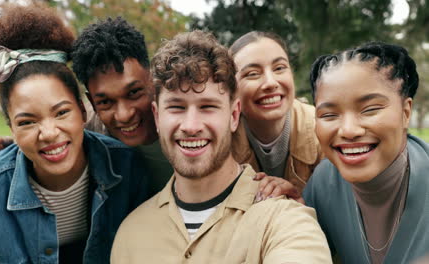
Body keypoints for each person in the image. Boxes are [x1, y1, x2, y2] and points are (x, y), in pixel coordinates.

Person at [0, 17, 300, 202]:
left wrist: (278, 185)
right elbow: (47, 129)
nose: (123, 114)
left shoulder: (211, 119)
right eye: (105, 102)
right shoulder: (92, 135)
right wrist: (0, 151)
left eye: (134, 92)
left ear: (152, 78)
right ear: (90, 104)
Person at [110, 30, 332, 264]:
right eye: (176, 107)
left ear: (234, 115)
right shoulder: (129, 235)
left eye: (207, 106)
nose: (191, 126)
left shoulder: (285, 222)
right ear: (157, 117)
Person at [0, 3, 148, 263]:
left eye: (61, 113)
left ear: (84, 111)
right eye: (27, 122)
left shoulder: (130, 170)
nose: (48, 133)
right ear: (10, 127)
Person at [303, 42, 429, 263]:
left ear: (405, 112)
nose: (349, 130)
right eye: (329, 115)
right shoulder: (323, 184)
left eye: (370, 110)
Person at [230, 31, 322, 192]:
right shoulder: (222, 141)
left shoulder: (323, 130)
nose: (271, 83)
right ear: (231, 89)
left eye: (279, 68)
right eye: (252, 74)